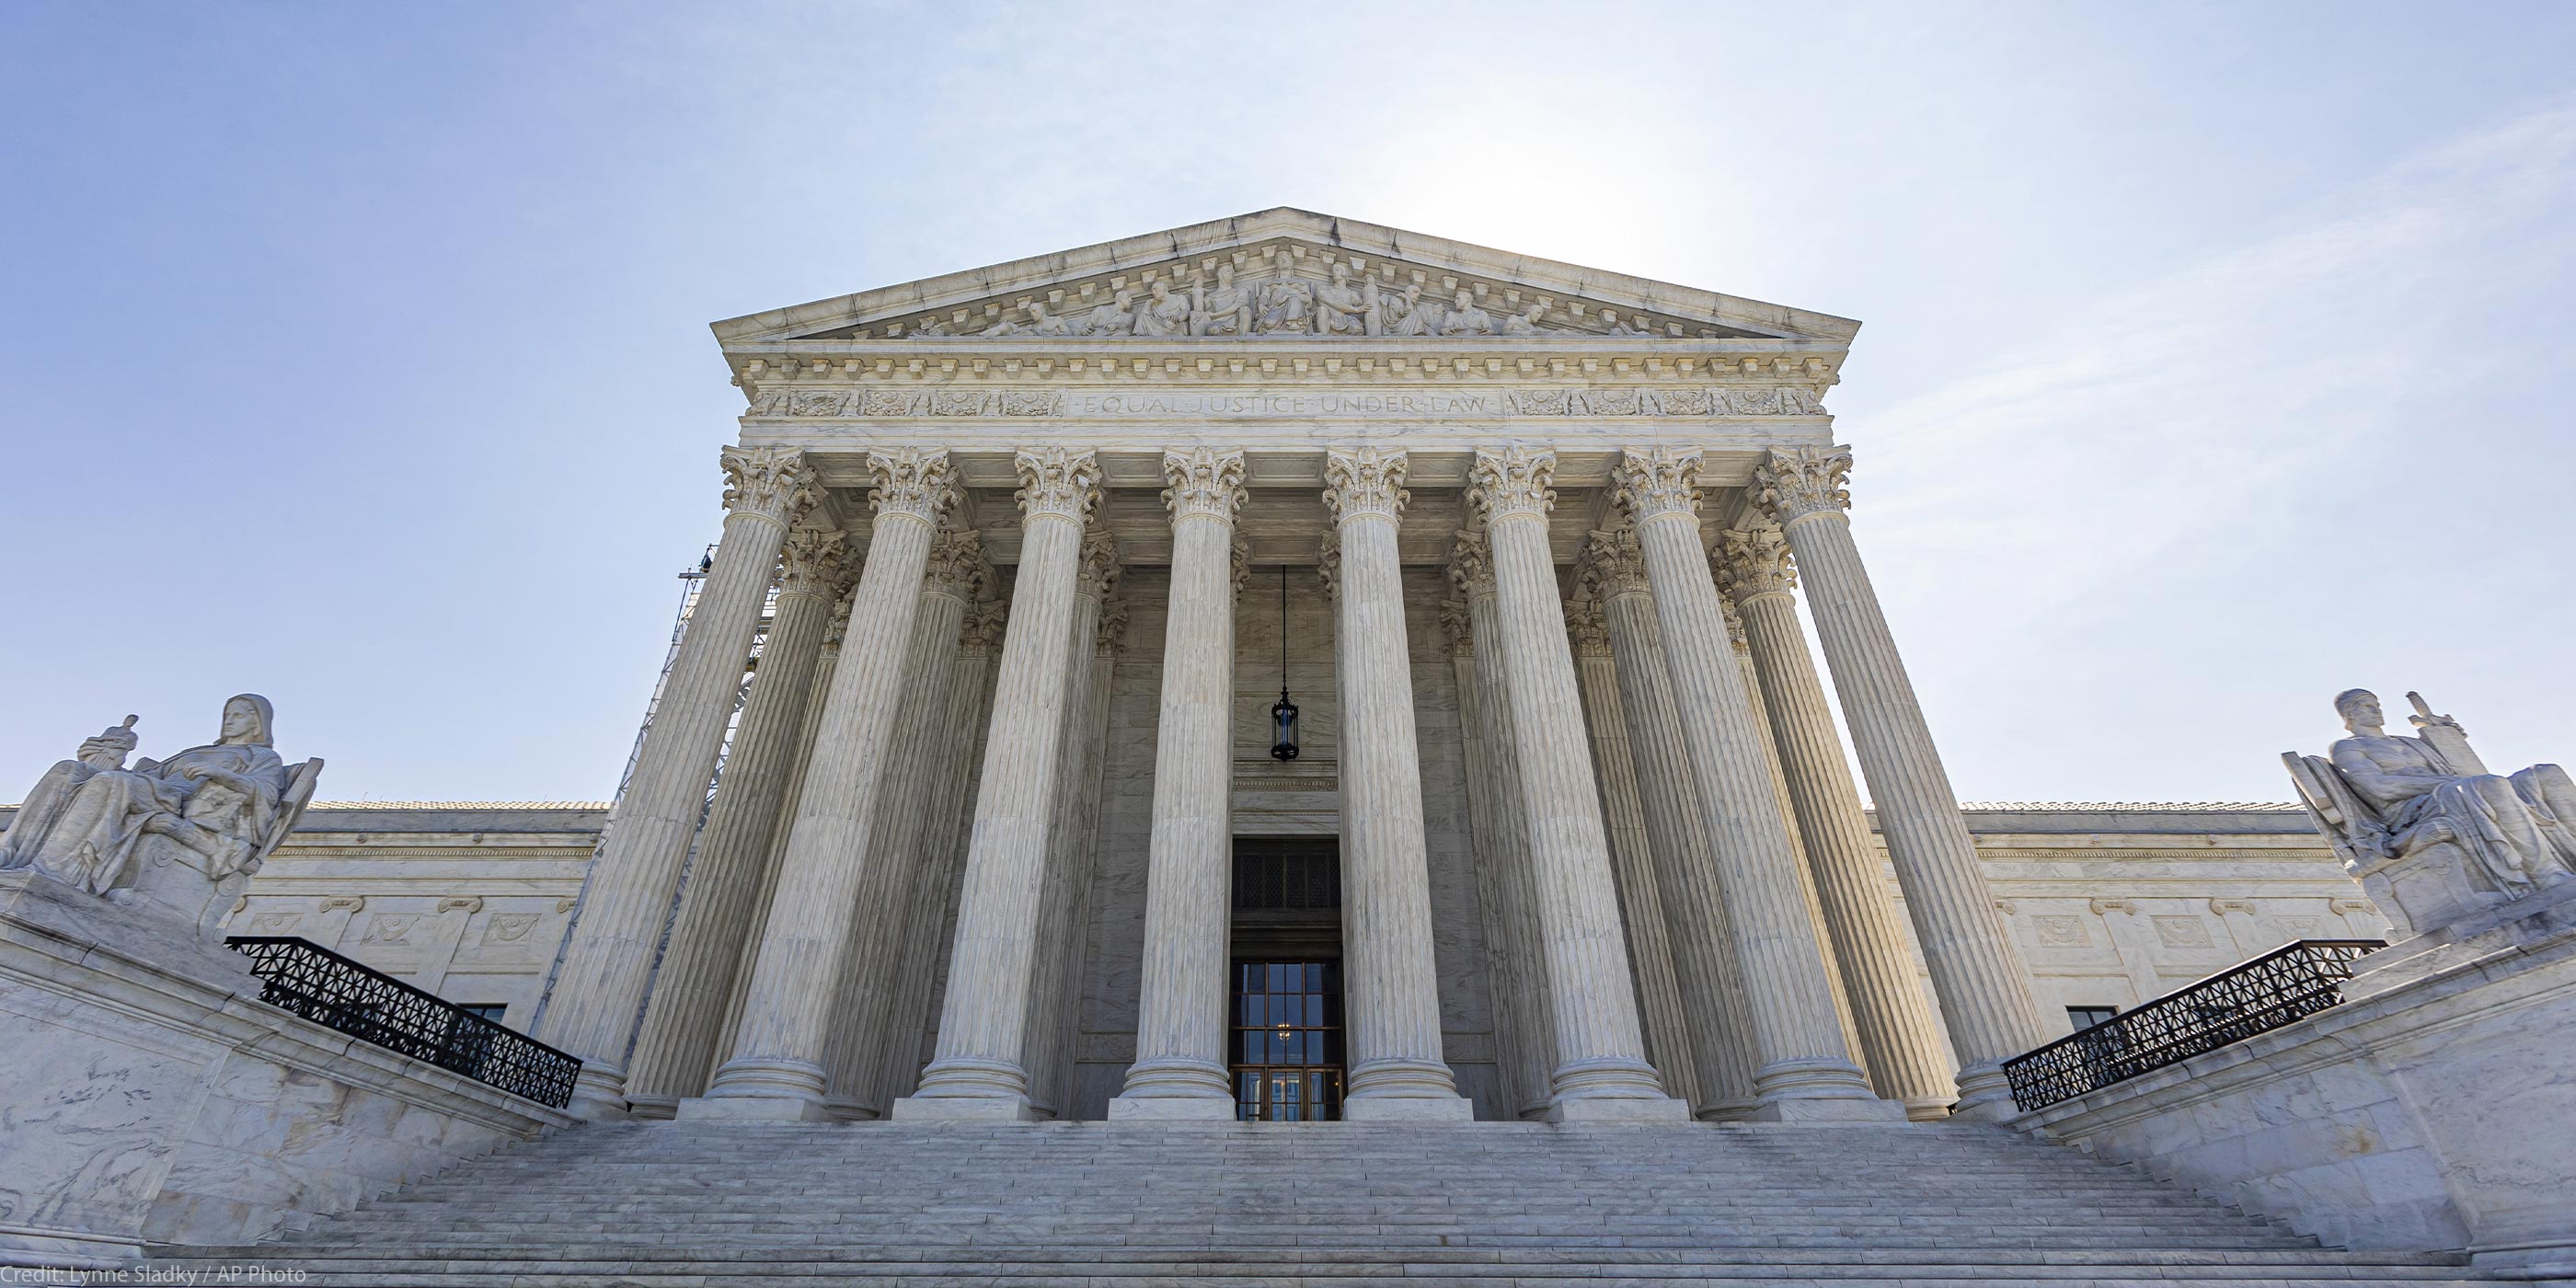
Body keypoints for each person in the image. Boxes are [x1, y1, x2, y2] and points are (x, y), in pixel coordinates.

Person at [0, 696, 291, 896]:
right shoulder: (195, 752)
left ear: (257, 723)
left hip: (181, 804)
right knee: (69, 770)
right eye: (227, 715)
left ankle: (54, 869)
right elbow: (148, 779)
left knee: (113, 784)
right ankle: (13, 852)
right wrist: (107, 759)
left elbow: (265, 793)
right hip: (152, 791)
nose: (229, 721)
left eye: (238, 716)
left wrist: (218, 774)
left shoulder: (262, 757)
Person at [2328, 689, 2576, 897]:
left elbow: (2465, 771)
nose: (2377, 710)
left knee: (2545, 773)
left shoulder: (2409, 742)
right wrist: (2449, 783)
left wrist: (2445, 736)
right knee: (2489, 785)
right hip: (2412, 808)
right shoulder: (2347, 747)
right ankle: (2546, 874)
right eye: (2367, 706)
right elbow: (2381, 788)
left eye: (2377, 705)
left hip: (2454, 790)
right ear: (2350, 714)